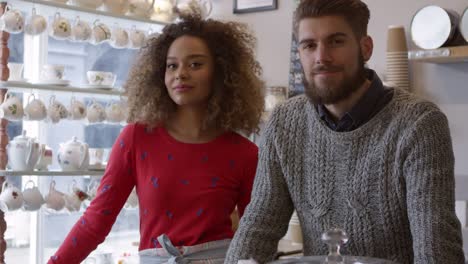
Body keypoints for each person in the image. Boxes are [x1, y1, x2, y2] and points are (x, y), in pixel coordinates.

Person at [225, 0, 465, 263]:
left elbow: (437, 250)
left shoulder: (418, 124)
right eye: (309, 45)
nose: (321, 57)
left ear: (366, 47)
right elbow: (259, 226)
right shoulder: (284, 122)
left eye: (336, 41)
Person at [49, 15, 265, 264]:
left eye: (195, 64)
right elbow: (96, 221)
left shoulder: (246, 154)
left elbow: (255, 238)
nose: (181, 73)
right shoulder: (136, 138)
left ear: (221, 72)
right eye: (172, 65)